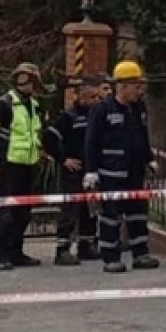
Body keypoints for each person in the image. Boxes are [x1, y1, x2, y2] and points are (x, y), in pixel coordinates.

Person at [84, 60, 159, 273]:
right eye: (136, 86)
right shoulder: (102, 110)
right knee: (110, 217)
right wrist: (91, 171)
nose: (139, 90)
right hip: (111, 173)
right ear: (122, 86)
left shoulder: (138, 109)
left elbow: (143, 136)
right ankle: (111, 258)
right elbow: (91, 142)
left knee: (138, 214)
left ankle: (141, 254)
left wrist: (149, 158)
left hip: (135, 172)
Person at [0, 63, 47, 271]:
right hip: (8, 164)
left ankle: (16, 252)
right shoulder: (5, 103)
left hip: (28, 164)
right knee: (5, 212)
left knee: (23, 211)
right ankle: (0, 254)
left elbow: (34, 133)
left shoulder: (35, 105)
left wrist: (42, 152)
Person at [43, 75, 104, 265]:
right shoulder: (69, 117)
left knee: (90, 209)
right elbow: (49, 138)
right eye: (92, 97)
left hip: (91, 170)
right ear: (81, 97)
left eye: (97, 97)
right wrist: (63, 160)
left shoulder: (96, 115)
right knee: (70, 209)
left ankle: (86, 245)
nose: (96, 101)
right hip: (74, 171)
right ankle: (62, 249)